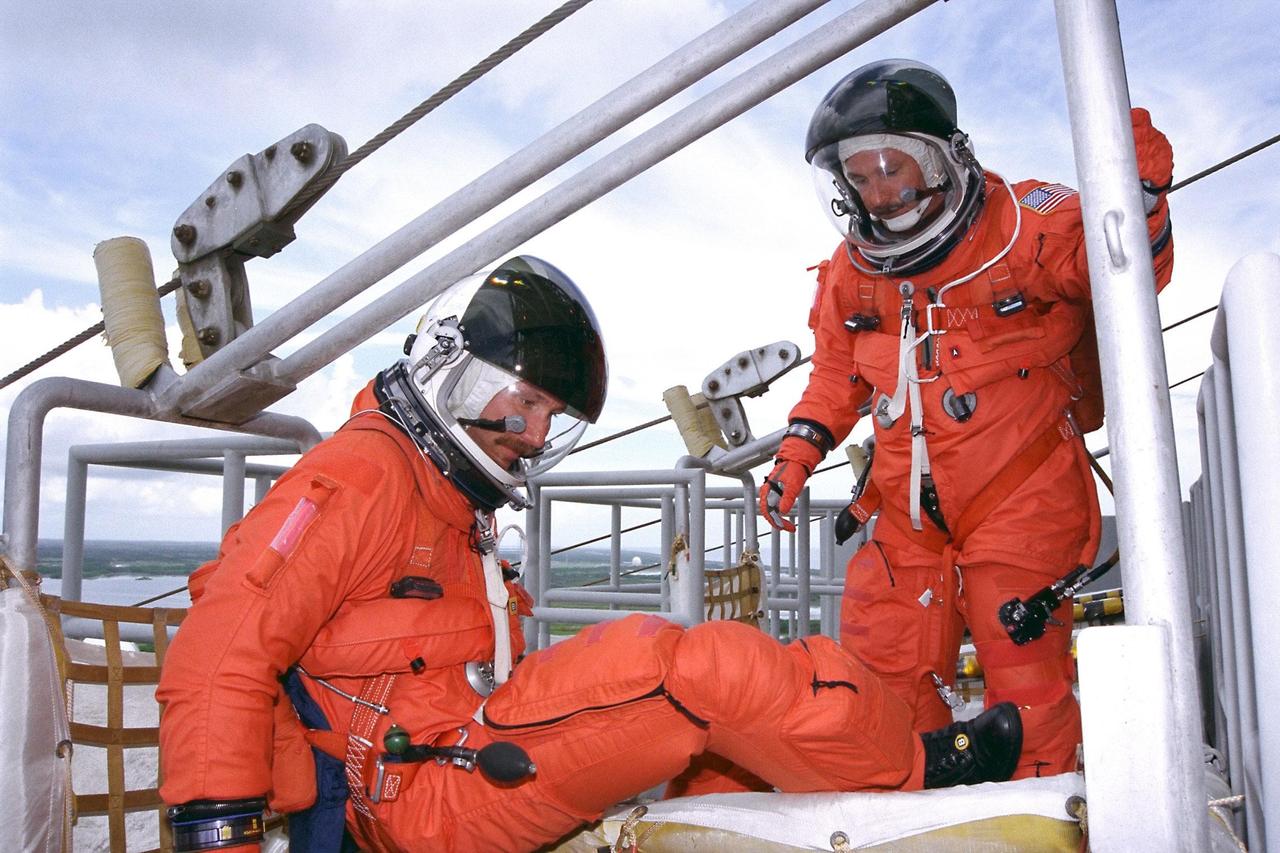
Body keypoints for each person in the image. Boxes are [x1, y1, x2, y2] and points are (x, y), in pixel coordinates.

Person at [157, 255, 1024, 853]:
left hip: (463, 754)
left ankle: (899, 769)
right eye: (526, 403)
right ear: (454, 369)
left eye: (548, 421)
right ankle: (922, 768)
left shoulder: (441, 494)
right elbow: (220, 652)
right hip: (431, 795)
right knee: (682, 671)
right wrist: (218, 834)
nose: (532, 436)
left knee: (725, 778)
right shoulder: (360, 473)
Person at [760, 60, 1174, 780]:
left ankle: (1036, 808)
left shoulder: (1026, 225)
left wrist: (1137, 198)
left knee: (1026, 686)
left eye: (891, 165)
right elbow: (835, 372)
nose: (878, 190)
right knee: (883, 675)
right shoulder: (852, 273)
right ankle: (906, 807)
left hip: (1021, 495)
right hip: (906, 513)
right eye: (859, 177)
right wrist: (797, 454)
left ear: (941, 155)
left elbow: (1126, 269)